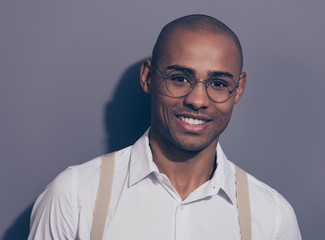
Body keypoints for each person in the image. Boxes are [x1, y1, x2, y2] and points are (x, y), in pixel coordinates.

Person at [28, 14, 302, 240]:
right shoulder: (74, 196)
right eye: (180, 78)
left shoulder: (272, 218)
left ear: (238, 89)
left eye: (218, 83)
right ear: (148, 78)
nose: (197, 100)